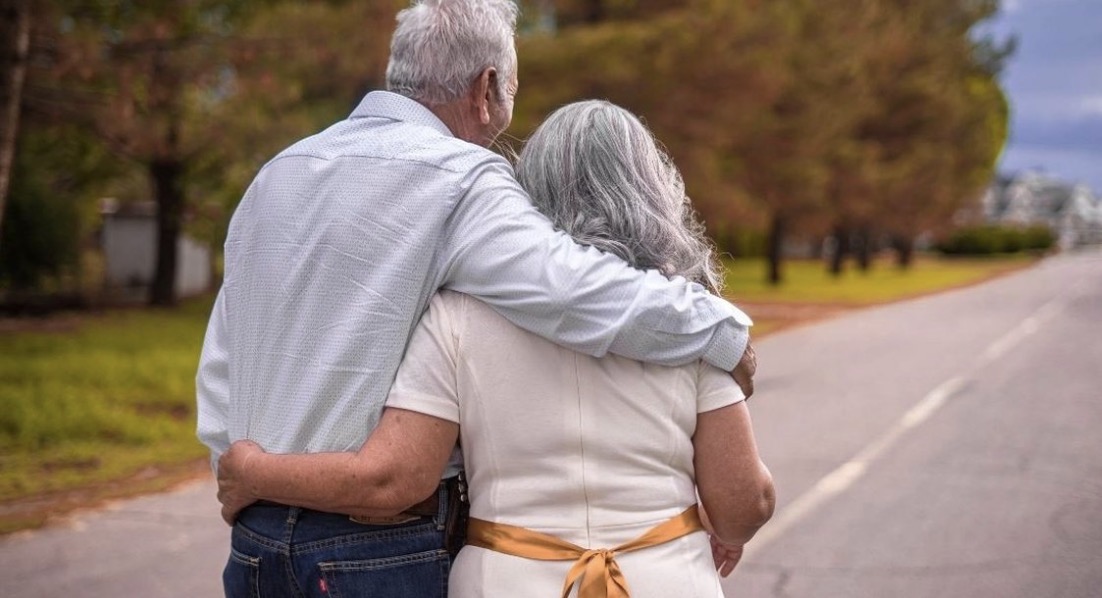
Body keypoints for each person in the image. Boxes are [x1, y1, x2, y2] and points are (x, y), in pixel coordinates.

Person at [197, 0, 757, 596]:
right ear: (486, 88)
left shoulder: (278, 173)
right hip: (375, 547)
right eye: (511, 91)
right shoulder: (462, 179)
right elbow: (576, 291)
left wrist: (242, 472)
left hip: (255, 538)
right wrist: (721, 329)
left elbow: (225, 357)